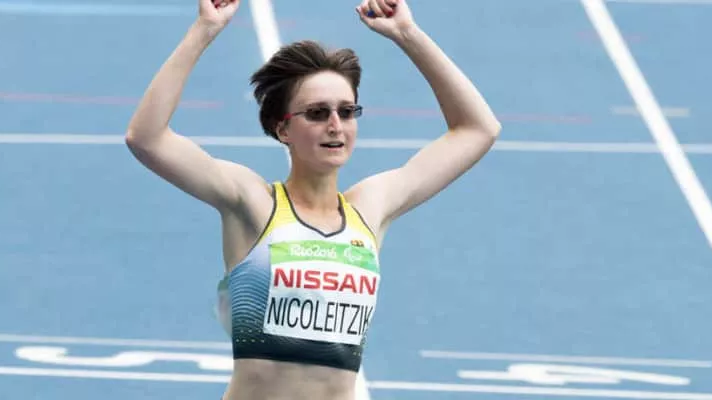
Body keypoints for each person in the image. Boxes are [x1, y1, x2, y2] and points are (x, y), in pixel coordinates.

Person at [123, 0, 501, 398]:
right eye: (318, 113)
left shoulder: (370, 209)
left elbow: (478, 129)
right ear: (282, 129)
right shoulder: (253, 204)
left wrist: (409, 35)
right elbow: (146, 138)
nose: (336, 125)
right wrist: (204, 30)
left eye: (347, 111)